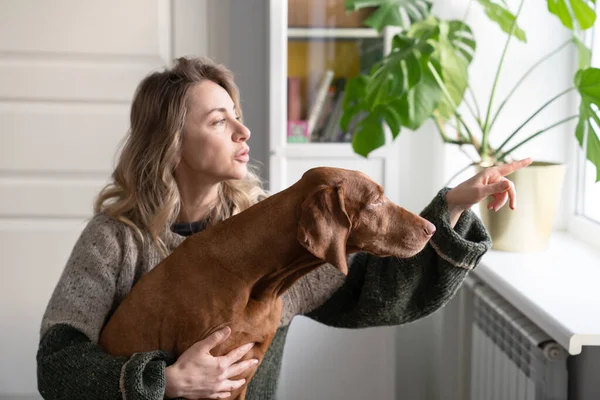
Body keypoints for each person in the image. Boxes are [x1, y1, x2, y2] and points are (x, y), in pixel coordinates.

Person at [36, 56, 532, 400]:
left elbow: (378, 292)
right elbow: (57, 367)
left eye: (238, 115)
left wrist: (453, 207)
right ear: (170, 142)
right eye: (217, 120)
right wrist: (166, 382)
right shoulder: (114, 240)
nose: (243, 130)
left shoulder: (281, 231)